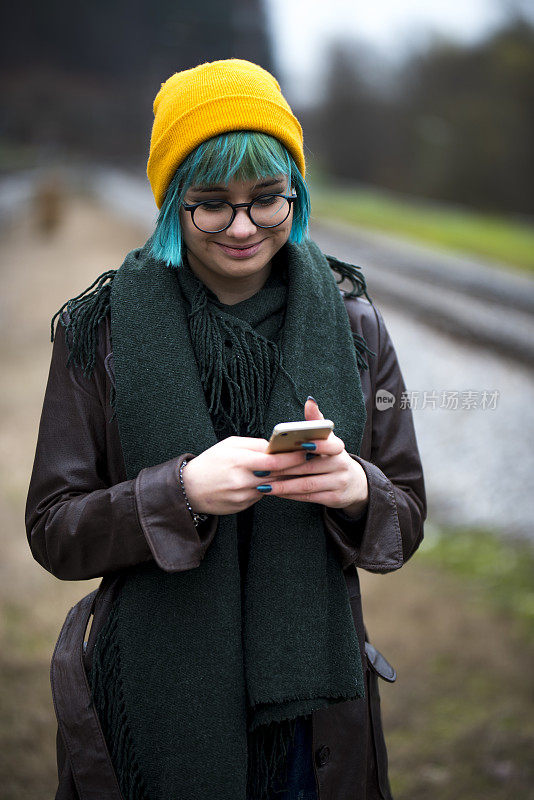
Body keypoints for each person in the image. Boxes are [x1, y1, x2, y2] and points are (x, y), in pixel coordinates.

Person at [25, 58, 426, 800]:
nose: (243, 227)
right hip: (149, 712)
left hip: (312, 730)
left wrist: (356, 490)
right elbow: (53, 528)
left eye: (267, 200)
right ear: (172, 202)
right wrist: (176, 494)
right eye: (212, 204)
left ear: (294, 195)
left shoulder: (357, 325)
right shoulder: (99, 332)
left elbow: (405, 515)